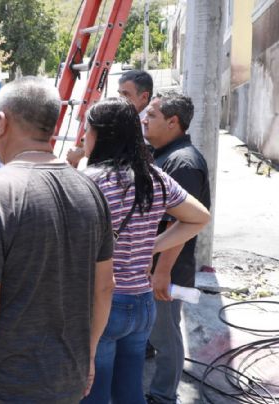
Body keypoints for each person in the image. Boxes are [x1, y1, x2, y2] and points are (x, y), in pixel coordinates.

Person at [0, 76, 116, 404]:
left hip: (7, 387)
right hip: (68, 380)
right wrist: (88, 356)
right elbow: (104, 288)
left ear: (0, 123)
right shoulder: (89, 190)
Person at [77, 98, 210, 404]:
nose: (84, 137)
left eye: (88, 130)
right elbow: (198, 217)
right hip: (142, 303)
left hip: (103, 304)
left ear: (103, 135)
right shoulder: (153, 177)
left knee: (93, 392)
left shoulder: (89, 182)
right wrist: (149, 247)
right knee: (129, 390)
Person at [144, 92, 211, 404]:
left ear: (173, 122)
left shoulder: (182, 162)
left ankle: (162, 396)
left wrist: (162, 271)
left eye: (152, 115)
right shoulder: (162, 153)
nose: (145, 119)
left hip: (167, 268)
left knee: (166, 335)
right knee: (158, 329)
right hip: (156, 264)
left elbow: (178, 223)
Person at [118, 70, 153, 135]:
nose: (120, 99)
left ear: (144, 97)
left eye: (126, 94)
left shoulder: (153, 127)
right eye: (120, 93)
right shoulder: (120, 119)